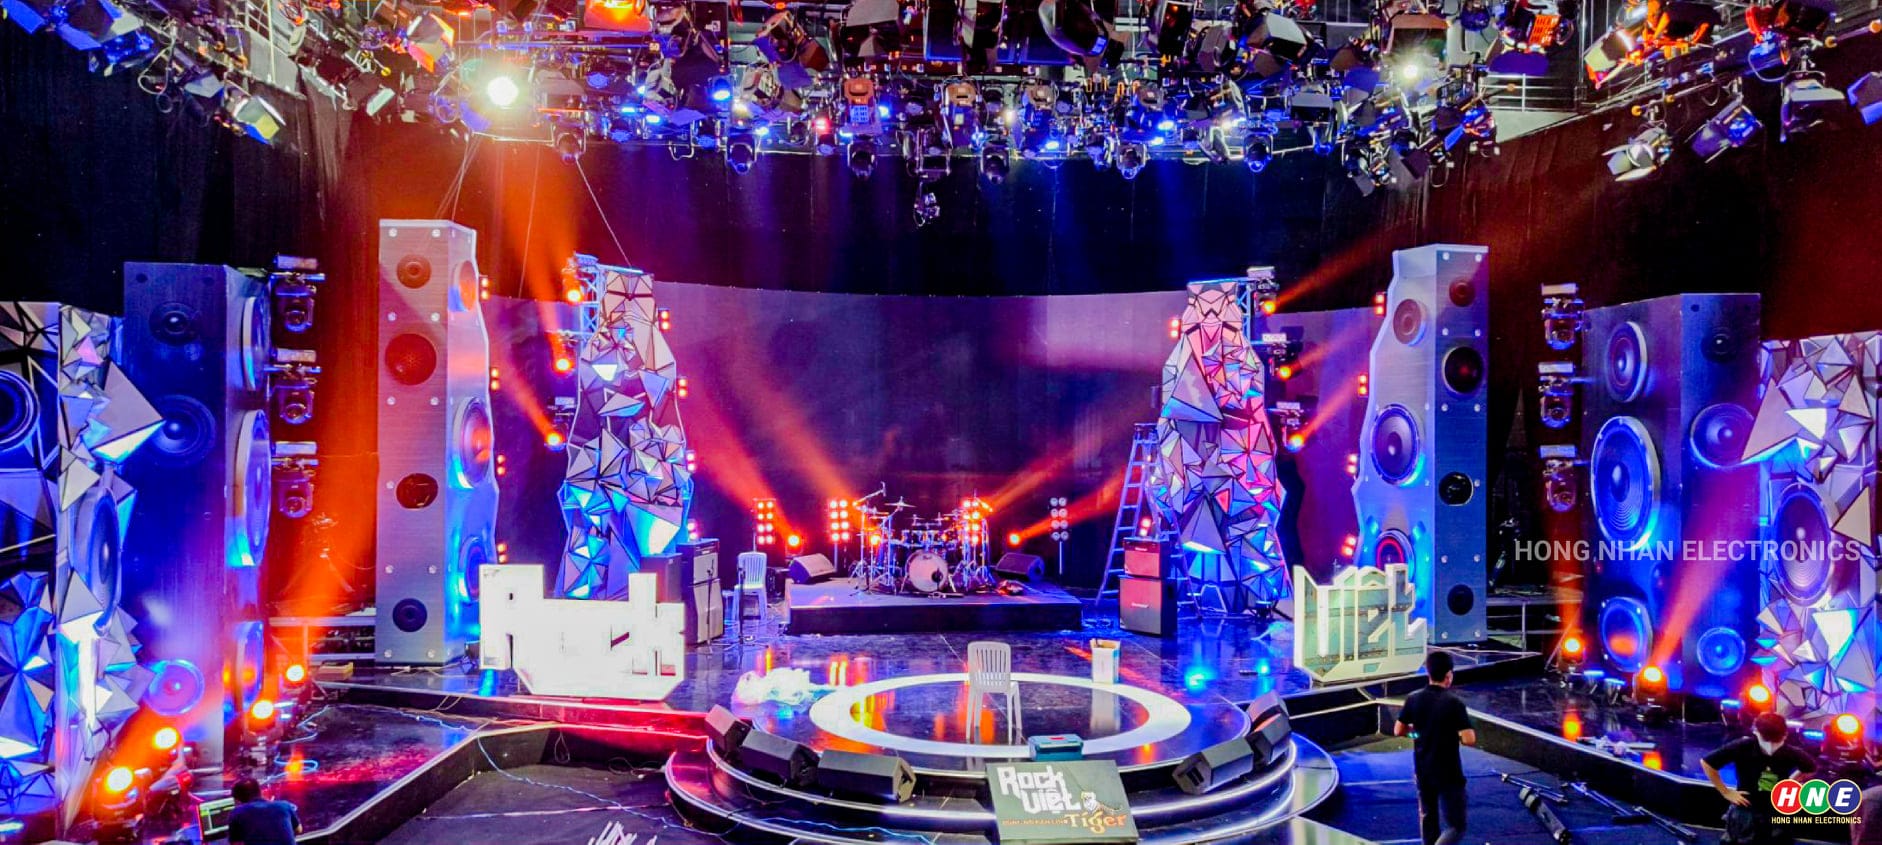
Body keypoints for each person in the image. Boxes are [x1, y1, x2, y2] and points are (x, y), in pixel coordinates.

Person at [1395, 650, 1477, 845]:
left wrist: (1417, 734)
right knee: (1456, 826)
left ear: (1428, 672)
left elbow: (1399, 730)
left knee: (1428, 819)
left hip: (1423, 769)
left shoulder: (1413, 698)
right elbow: (1469, 739)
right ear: (1449, 675)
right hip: (1449, 772)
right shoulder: (1454, 703)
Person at [1702, 712, 1815, 845]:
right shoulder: (1743, 746)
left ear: (1785, 735)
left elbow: (1810, 768)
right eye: (1766, 740)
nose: (1771, 745)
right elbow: (1707, 763)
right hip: (1746, 806)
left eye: (1776, 741)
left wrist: (1791, 781)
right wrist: (1726, 792)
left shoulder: (1790, 752)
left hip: (1777, 809)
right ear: (1756, 733)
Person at [227, 777, 301, 845]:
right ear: (260, 792)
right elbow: (298, 830)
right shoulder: (284, 806)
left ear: (237, 800)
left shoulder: (237, 813)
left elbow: (236, 843)